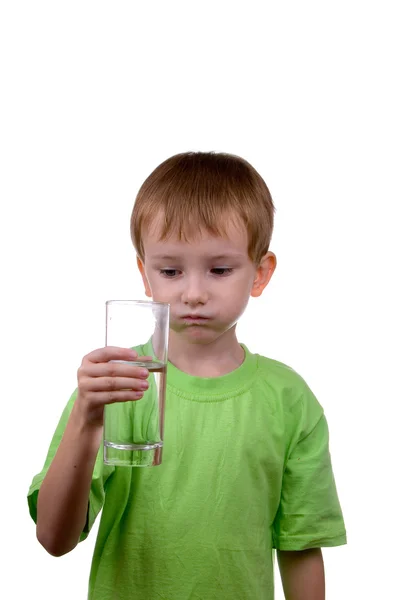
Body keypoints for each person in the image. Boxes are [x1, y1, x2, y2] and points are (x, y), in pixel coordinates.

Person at [28, 151, 347, 600]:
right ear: (145, 274)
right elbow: (54, 540)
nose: (193, 293)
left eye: (219, 269)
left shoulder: (289, 399)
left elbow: (300, 546)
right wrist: (86, 418)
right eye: (171, 270)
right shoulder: (118, 386)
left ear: (260, 273)